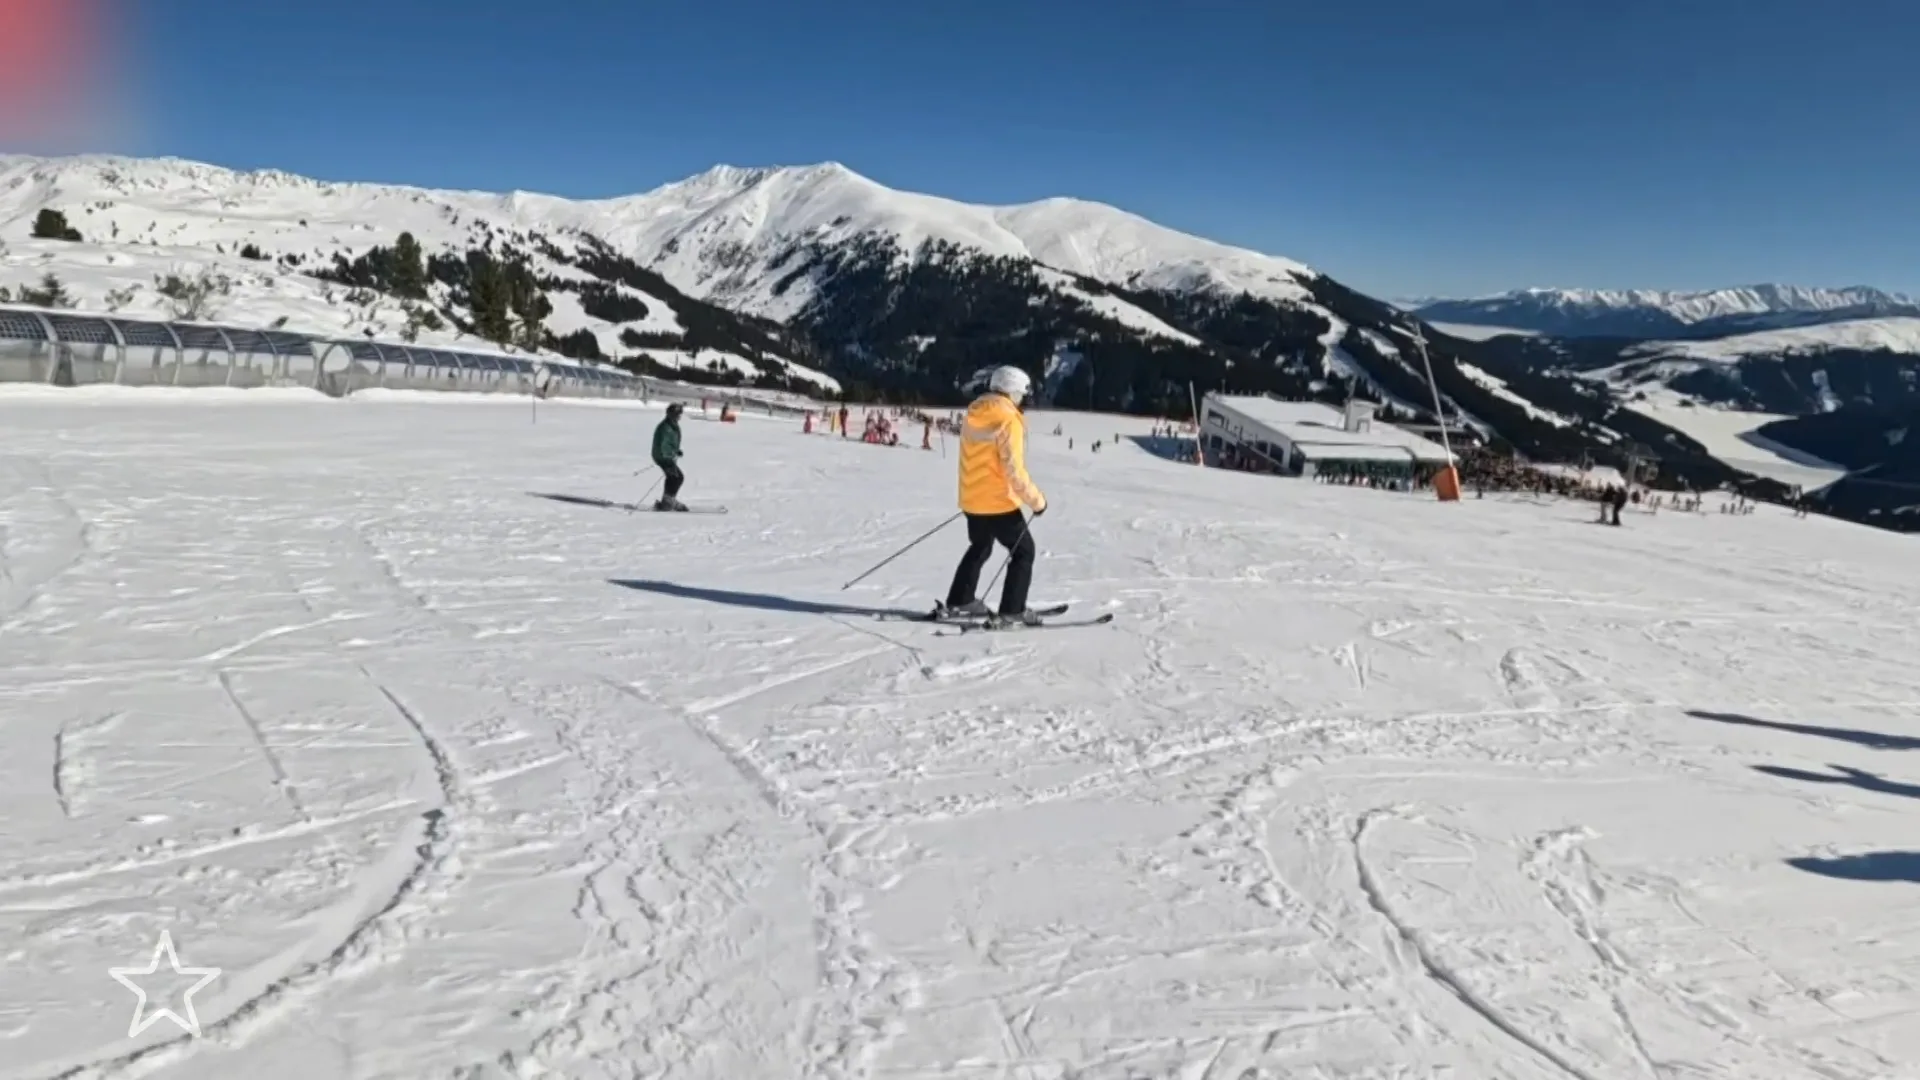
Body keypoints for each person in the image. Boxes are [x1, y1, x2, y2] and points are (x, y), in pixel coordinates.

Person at [942, 366, 1048, 625]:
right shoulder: (1008, 420)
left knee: (980, 546)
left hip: (972, 500)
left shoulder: (974, 414)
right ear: (1012, 392)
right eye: (1023, 395)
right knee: (1024, 552)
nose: (1024, 401)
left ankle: (960, 600)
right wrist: (1037, 502)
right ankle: (1012, 610)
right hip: (999, 503)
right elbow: (1014, 470)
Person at [651, 402, 688, 511]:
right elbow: (662, 444)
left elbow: (670, 443)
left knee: (673, 477)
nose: (679, 417)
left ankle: (668, 500)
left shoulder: (671, 425)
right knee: (677, 477)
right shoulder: (666, 428)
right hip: (662, 456)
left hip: (664, 456)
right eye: (678, 414)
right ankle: (668, 501)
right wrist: (670, 454)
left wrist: (676, 451)